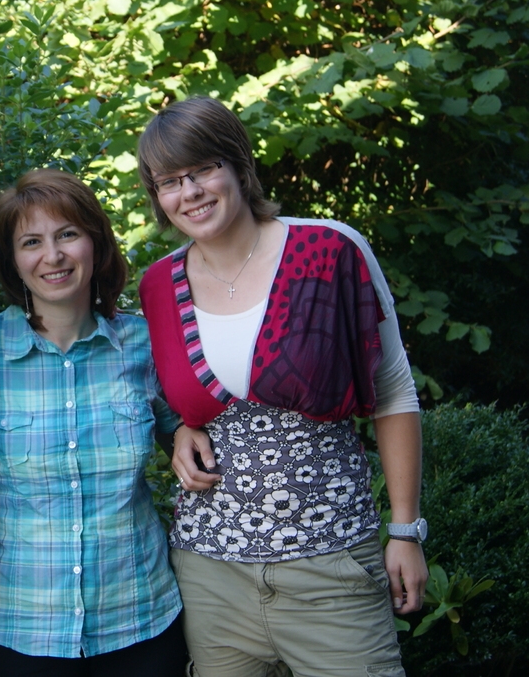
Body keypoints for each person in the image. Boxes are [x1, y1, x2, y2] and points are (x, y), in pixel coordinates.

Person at [136, 97, 428, 677]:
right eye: (170, 181)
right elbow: (158, 397)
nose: (190, 191)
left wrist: (405, 529)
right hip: (210, 575)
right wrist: (178, 428)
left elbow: (394, 394)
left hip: (333, 568)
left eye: (203, 169)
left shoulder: (330, 250)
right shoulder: (156, 287)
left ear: (238, 166)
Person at [0, 169, 186, 677]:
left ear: (95, 242)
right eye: (31, 242)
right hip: (22, 629)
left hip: (141, 619)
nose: (53, 255)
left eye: (67, 234)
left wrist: (184, 433)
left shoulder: (145, 343)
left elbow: (187, 431)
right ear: (12, 261)